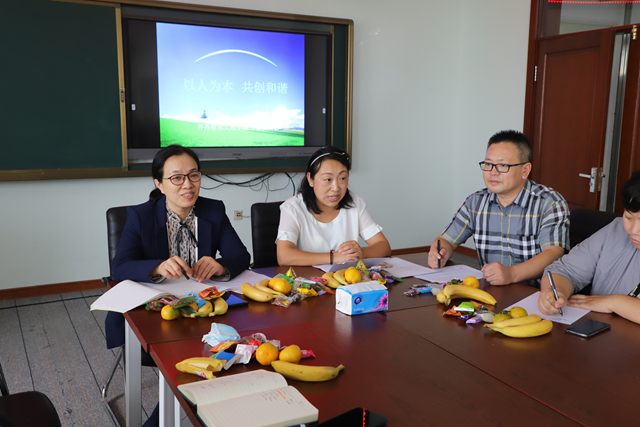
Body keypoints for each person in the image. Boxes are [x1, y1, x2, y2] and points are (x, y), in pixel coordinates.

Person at [105, 145, 250, 426]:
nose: (188, 184)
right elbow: (119, 266)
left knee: (232, 349)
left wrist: (221, 266)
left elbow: (241, 256)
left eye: (194, 175)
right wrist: (156, 268)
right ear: (159, 184)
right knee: (202, 360)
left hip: (204, 310)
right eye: (176, 178)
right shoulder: (140, 216)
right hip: (155, 314)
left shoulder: (213, 210)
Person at [428, 130, 569, 286]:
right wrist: (441, 252)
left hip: (537, 294)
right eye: (488, 164)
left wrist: (511, 274)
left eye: (503, 165)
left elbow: (553, 253)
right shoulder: (475, 202)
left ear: (525, 170)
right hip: (491, 290)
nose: (492, 172)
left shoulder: (549, 203)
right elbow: (445, 240)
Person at [538, 170, 640, 324]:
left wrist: (614, 302)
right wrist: (554, 292)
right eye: (629, 217)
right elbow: (564, 270)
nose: (634, 231)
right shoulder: (616, 231)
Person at [276, 146, 391, 266]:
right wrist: (334, 257)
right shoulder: (292, 208)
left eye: (342, 178)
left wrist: (361, 252)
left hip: (346, 276)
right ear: (310, 179)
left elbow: (384, 246)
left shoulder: (355, 204)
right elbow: (284, 257)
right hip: (307, 277)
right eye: (328, 179)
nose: (336, 188)